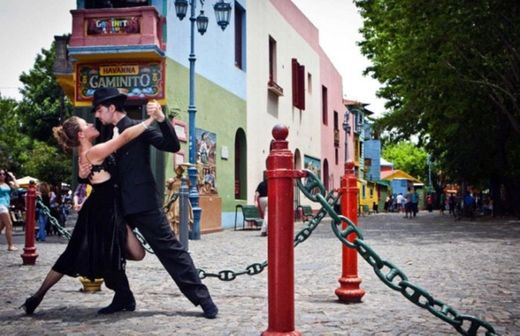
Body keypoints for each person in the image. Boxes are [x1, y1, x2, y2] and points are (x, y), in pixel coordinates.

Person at [80, 87, 218, 318]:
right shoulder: (103, 134)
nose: (96, 115)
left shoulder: (138, 128)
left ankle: (203, 300)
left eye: (99, 110)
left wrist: (163, 120)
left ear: (112, 108)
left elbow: (171, 146)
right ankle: (123, 297)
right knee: (108, 248)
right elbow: (94, 164)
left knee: (170, 250)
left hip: (142, 202)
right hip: (115, 204)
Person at [20, 109, 157, 315]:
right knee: (86, 254)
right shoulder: (93, 152)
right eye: (87, 125)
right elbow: (126, 137)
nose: (93, 125)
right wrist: (152, 120)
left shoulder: (89, 152)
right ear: (81, 135)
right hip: (101, 212)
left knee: (127, 253)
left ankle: (122, 294)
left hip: (107, 210)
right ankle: (38, 296)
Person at [0, 169, 19, 251]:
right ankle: (10, 246)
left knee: (2, 225)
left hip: (6, 206)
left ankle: (10, 245)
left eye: (3, 174)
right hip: (1, 205)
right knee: (9, 224)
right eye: (0, 174)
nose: (2, 175)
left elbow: (17, 187)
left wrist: (12, 176)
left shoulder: (8, 184)